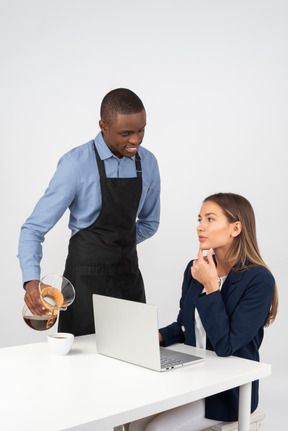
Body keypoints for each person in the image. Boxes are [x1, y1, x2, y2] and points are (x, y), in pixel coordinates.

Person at [18, 88, 161, 336]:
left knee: (135, 363)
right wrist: (31, 281)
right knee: (82, 368)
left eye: (141, 130)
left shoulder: (148, 163)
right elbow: (33, 229)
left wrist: (118, 241)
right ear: (103, 126)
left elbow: (150, 222)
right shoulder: (75, 164)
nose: (136, 140)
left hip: (129, 282)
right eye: (125, 133)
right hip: (83, 285)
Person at [129, 192, 278, 431]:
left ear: (235, 228)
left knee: (157, 429)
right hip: (191, 377)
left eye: (210, 219)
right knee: (134, 422)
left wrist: (211, 287)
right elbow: (183, 326)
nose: (200, 227)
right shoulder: (195, 268)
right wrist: (154, 337)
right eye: (199, 220)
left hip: (227, 391)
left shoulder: (258, 280)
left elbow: (226, 346)